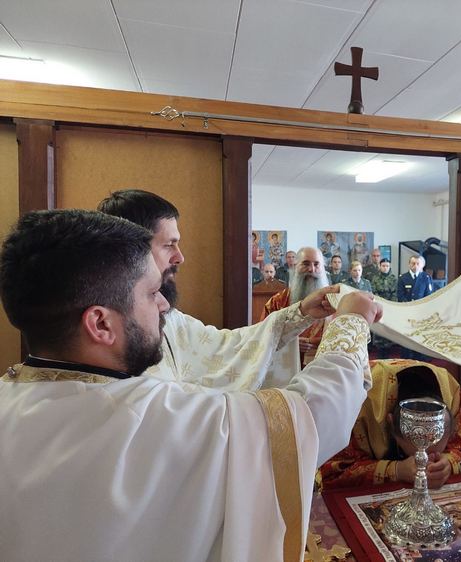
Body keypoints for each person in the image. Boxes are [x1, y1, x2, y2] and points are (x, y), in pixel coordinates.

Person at [0, 209, 381, 561]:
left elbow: (221, 347)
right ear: (100, 324)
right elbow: (311, 417)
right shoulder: (164, 423)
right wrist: (351, 324)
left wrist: (295, 316)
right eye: (151, 294)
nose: (164, 307)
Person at [98, 189, 322, 391]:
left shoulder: (170, 317)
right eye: (169, 245)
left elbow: (227, 346)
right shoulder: (107, 328)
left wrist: (302, 312)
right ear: (134, 251)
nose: (180, 257)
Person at [320, 360, 461, 490]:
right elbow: (330, 473)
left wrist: (447, 463)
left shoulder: (451, 395)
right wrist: (396, 470)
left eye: (433, 453)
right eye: (419, 449)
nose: (426, 460)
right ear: (391, 424)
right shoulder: (357, 405)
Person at [262, 247, 329, 366]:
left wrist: (314, 342)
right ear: (295, 266)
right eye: (306, 264)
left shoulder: (333, 302)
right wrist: (291, 344)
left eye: (316, 264)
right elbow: (262, 337)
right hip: (285, 368)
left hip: (321, 369)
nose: (311, 269)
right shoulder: (277, 302)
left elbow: (341, 338)